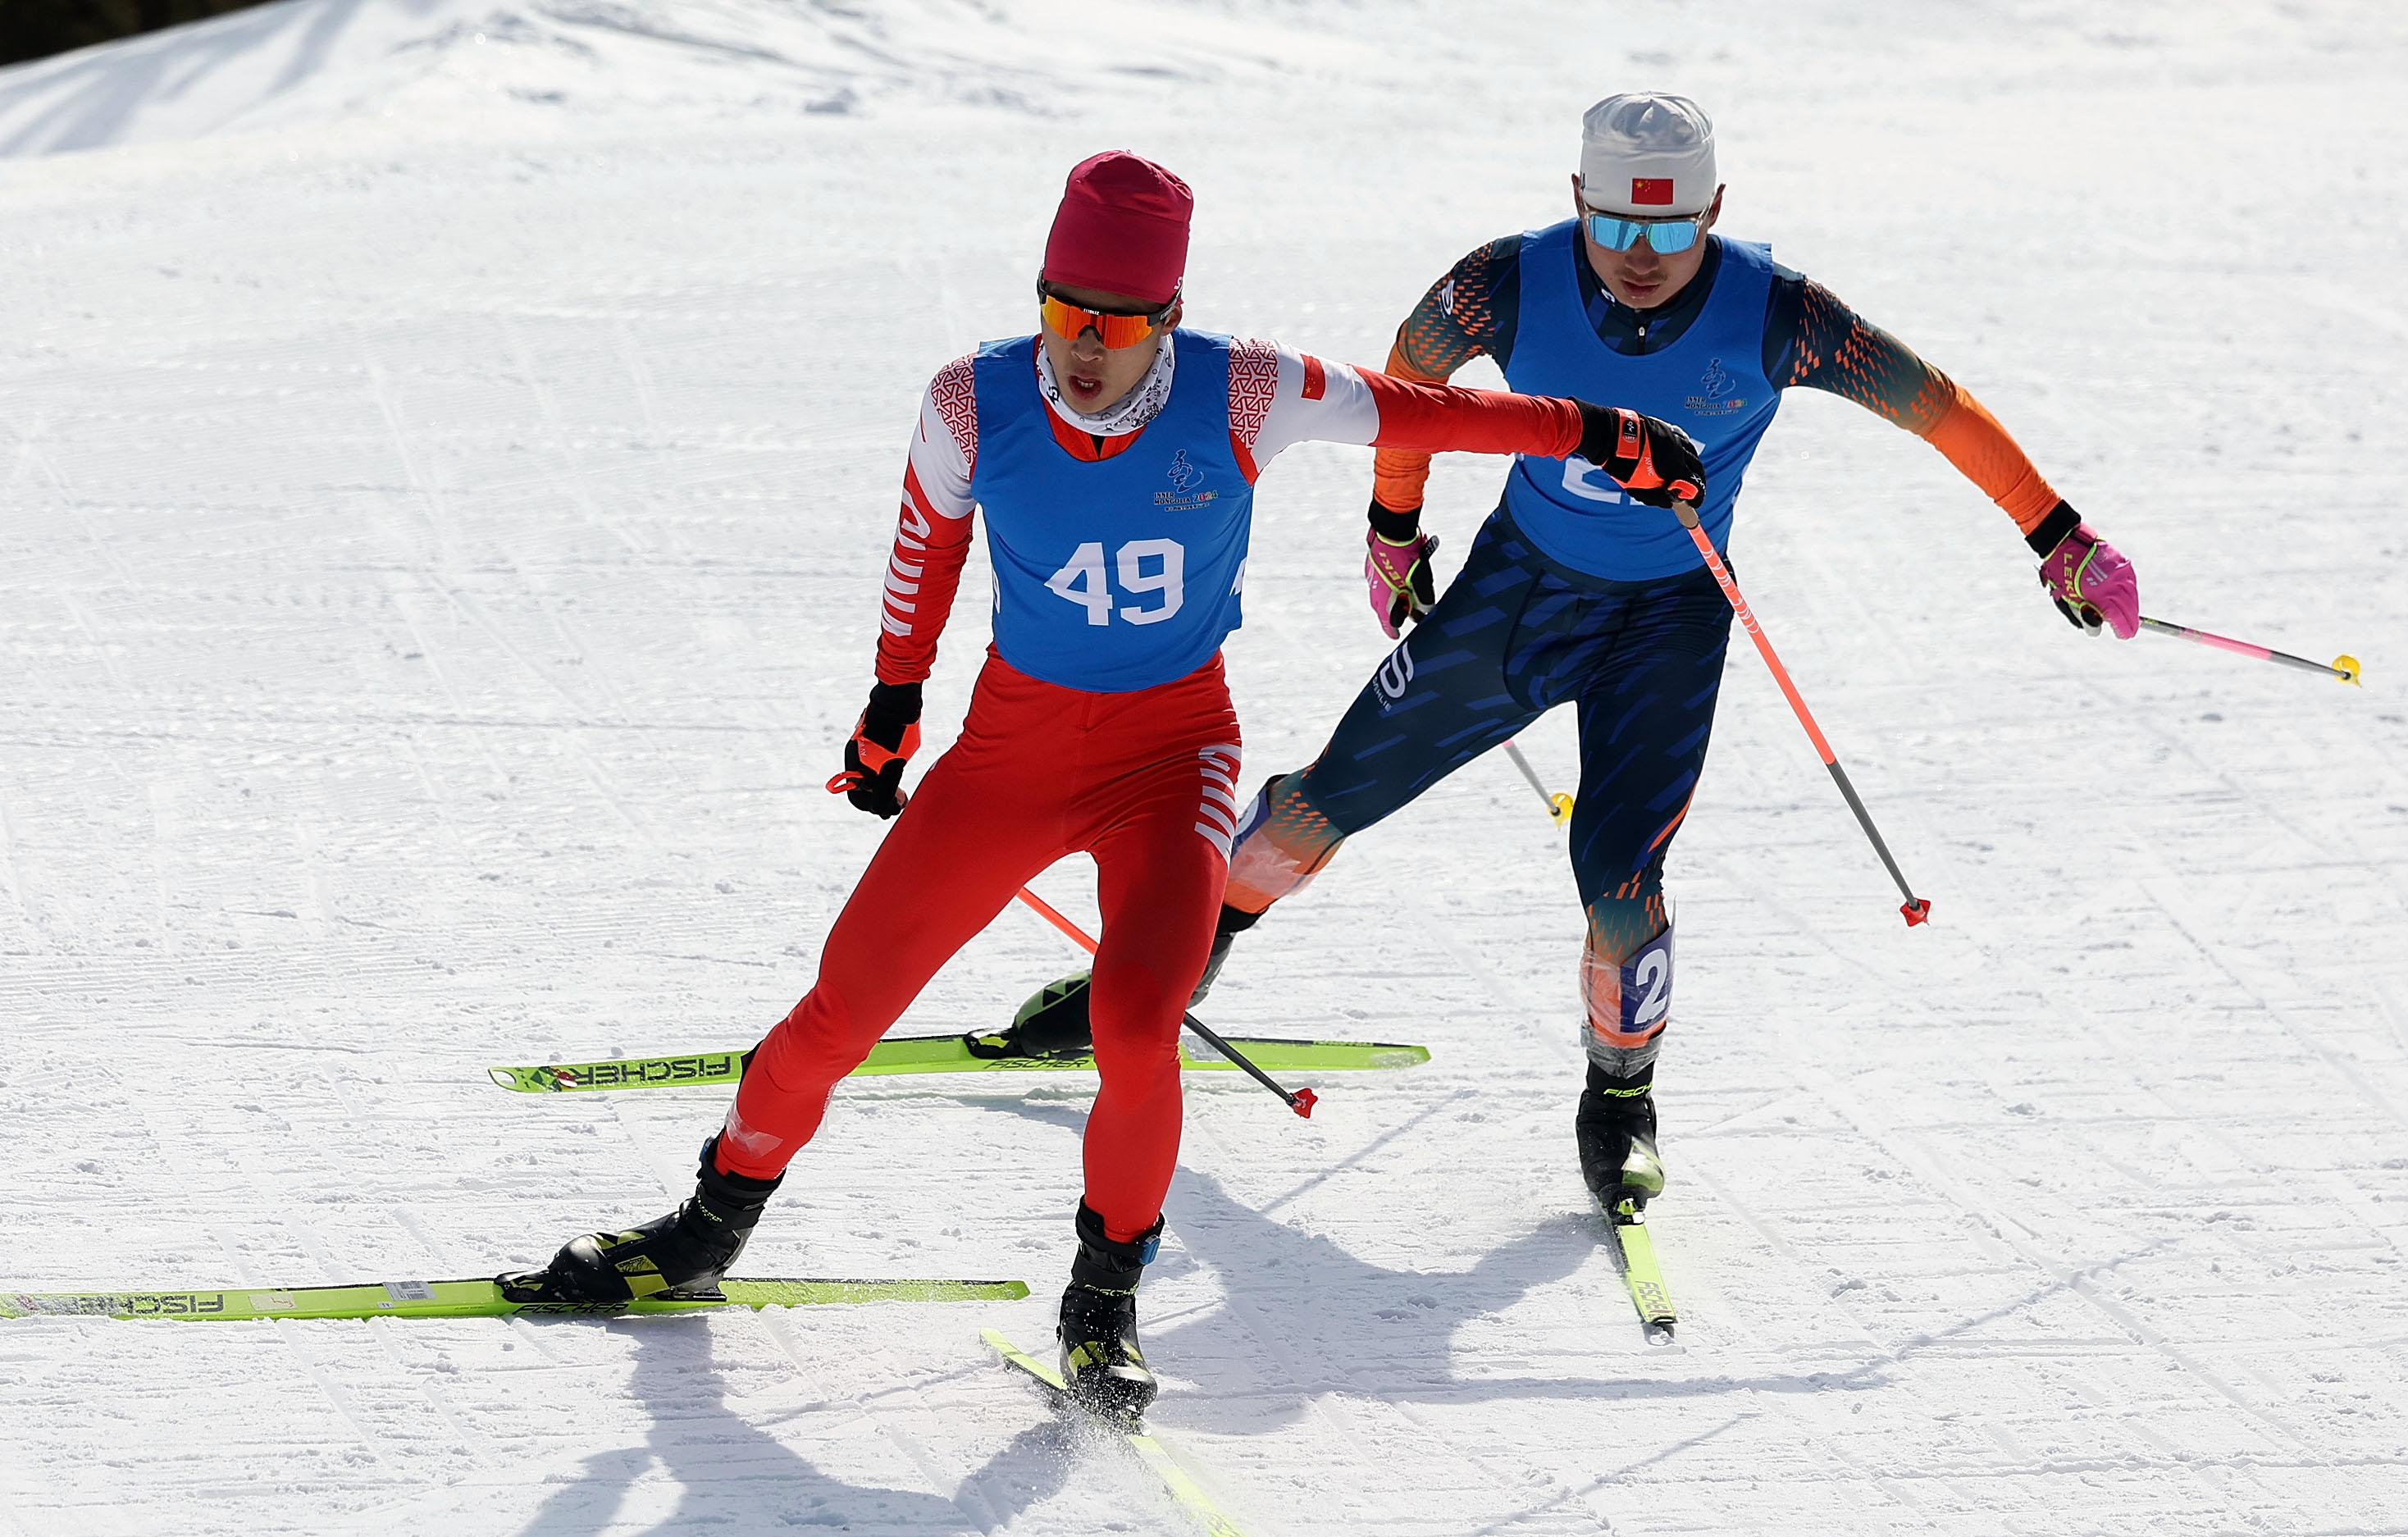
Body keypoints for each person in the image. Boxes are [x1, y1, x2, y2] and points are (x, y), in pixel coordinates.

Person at [499, 150, 1707, 1417]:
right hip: (1009, 759)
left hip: (1171, 760)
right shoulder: (971, 399)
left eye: (1116, 325)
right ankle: (704, 1226)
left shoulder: (1245, 389)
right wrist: (891, 706)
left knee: (1138, 1025)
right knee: (838, 1011)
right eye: (1064, 312)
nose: (1083, 347)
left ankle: (1104, 1303)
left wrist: (1600, 431)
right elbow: (927, 540)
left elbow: (1424, 413)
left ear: (1166, 320)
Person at [996, 95, 2142, 1220]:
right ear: (1577, 201)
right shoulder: (1508, 279)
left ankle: (1622, 1097)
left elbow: (1932, 406)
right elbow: (1410, 375)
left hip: (1668, 622)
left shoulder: (1781, 316)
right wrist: (1394, 528)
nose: (1640, 257)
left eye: (1671, 230)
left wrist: (2057, 534)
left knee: (1619, 879)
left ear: (1717, 212)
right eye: (1615, 227)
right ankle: (1170, 968)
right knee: (1318, 802)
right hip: (1518, 593)